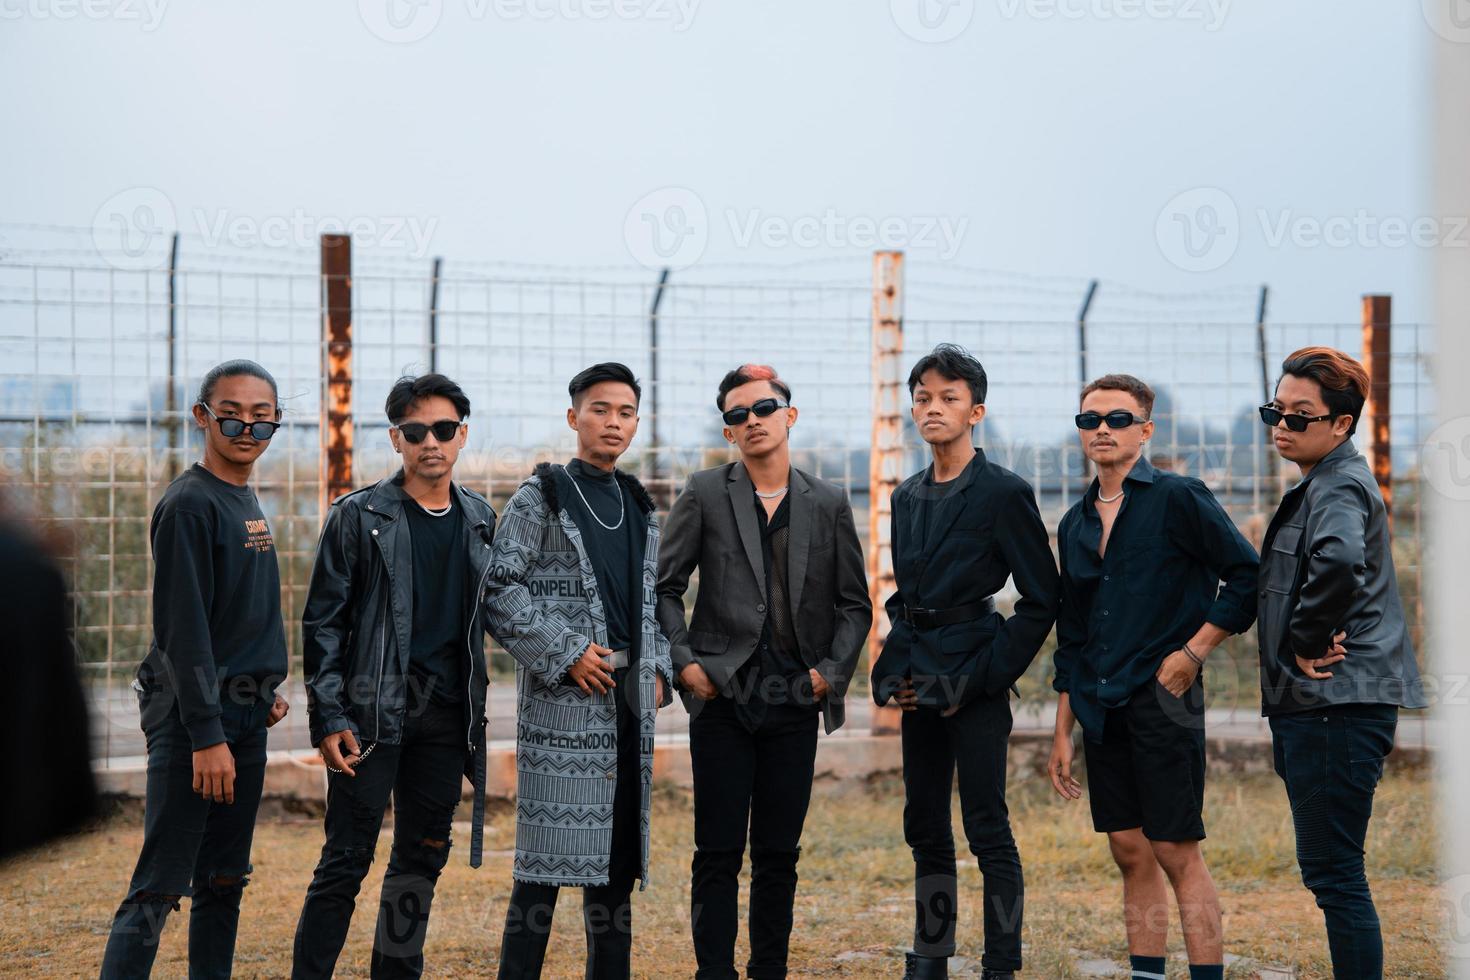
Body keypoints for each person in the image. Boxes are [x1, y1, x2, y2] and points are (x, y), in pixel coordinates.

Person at [656, 364, 872, 980]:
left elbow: (854, 604)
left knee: (779, 852)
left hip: (796, 694)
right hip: (722, 693)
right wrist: (686, 663)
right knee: (717, 850)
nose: (751, 421)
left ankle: (769, 969)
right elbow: (665, 588)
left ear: (789, 416)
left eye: (763, 409)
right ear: (728, 431)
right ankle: (714, 972)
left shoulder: (827, 501)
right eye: (736, 415)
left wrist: (830, 673)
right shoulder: (703, 491)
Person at [1048, 374, 1259, 980]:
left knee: (1173, 847)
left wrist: (1193, 651)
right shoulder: (1075, 522)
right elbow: (1075, 634)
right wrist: (1064, 729)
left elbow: (1244, 575)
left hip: (1165, 698)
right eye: (1090, 420)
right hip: (1101, 703)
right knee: (1128, 848)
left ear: (1145, 429)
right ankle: (1146, 973)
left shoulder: (1179, 497)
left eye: (1117, 419)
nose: (1102, 430)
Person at [292, 373, 497, 979]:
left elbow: (505, 614)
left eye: (443, 429)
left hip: (445, 720)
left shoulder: (482, 519)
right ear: (396, 439)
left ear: (462, 436)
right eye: (416, 431)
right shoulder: (359, 516)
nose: (430, 441)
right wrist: (329, 715)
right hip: (369, 716)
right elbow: (322, 623)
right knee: (346, 860)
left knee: (421, 858)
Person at [871, 344, 1060, 980]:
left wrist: (982, 678)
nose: (933, 407)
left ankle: (1001, 964)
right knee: (923, 822)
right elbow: (908, 600)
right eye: (922, 397)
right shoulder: (907, 497)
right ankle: (932, 952)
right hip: (920, 680)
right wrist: (891, 671)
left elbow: (1041, 600)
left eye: (948, 397)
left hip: (975, 676)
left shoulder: (1005, 492)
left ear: (975, 410)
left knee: (986, 827)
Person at [484, 362, 674, 980]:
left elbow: (654, 600)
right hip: (563, 706)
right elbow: (499, 590)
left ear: (636, 423)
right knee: (541, 873)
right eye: (599, 409)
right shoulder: (540, 496)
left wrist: (662, 670)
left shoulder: (641, 505)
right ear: (574, 418)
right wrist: (566, 651)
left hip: (628, 706)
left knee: (616, 876)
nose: (612, 422)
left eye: (624, 412)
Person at [100, 360, 290, 979]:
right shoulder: (188, 504)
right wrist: (207, 734)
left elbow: (235, 610)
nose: (246, 428)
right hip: (193, 722)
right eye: (231, 413)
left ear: (277, 424)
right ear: (202, 416)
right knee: (159, 886)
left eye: (262, 418)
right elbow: (183, 631)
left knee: (225, 878)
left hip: (243, 713)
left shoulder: (242, 493)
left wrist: (261, 687)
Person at [1257, 347, 1426, 979]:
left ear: (1341, 424)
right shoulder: (1325, 482)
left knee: (1336, 874)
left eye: (1301, 415)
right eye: (1277, 409)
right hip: (1331, 706)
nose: (1283, 423)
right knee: (1333, 872)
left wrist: (1305, 637)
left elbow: (1336, 562)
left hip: (1337, 706)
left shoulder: (1339, 485)